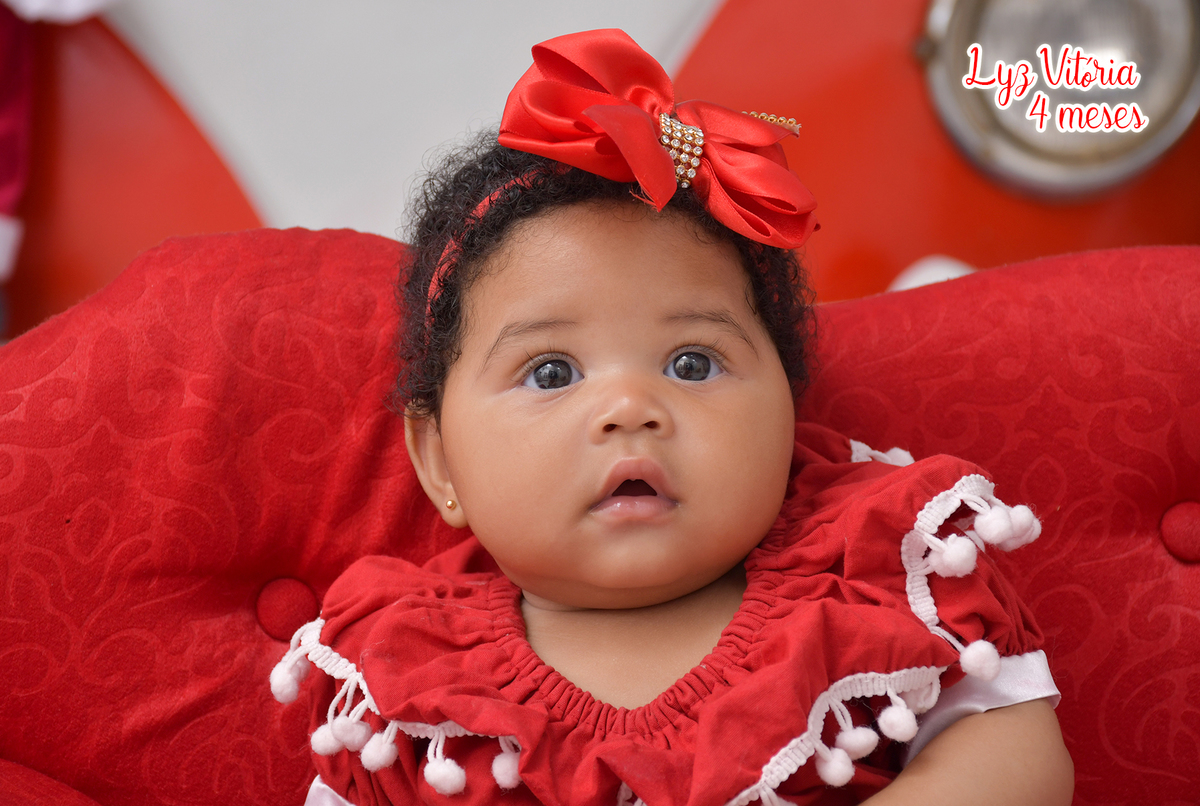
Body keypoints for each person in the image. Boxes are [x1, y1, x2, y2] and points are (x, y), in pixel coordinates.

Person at [271, 29, 1073, 806]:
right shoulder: (407, 677)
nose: (630, 409)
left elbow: (1016, 764)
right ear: (440, 461)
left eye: (693, 364)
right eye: (551, 373)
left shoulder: (872, 576)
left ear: (787, 411)